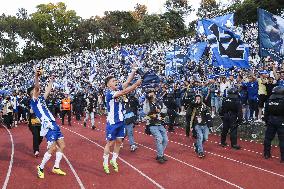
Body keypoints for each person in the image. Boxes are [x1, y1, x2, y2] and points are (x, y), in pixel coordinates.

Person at [27, 69, 66, 179]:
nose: (37, 91)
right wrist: (36, 77)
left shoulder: (41, 99)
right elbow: (38, 88)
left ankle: (56, 167)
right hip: (47, 126)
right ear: (32, 93)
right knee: (53, 148)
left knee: (62, 145)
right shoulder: (33, 101)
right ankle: (41, 167)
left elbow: (47, 90)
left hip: (53, 124)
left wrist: (51, 81)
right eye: (35, 91)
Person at [103, 68, 142, 174]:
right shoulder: (109, 94)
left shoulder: (117, 90)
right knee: (110, 143)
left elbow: (127, 82)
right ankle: (105, 162)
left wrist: (133, 71)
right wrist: (136, 85)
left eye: (116, 80)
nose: (116, 81)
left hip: (121, 121)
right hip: (112, 122)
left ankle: (113, 160)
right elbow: (125, 91)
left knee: (119, 142)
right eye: (113, 81)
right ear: (108, 85)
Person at [143, 90, 168, 163]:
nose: (152, 96)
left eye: (153, 94)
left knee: (165, 140)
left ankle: (160, 154)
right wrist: (147, 100)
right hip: (152, 124)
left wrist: (160, 111)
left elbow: (165, 110)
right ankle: (160, 156)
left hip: (160, 124)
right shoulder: (147, 103)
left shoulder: (159, 102)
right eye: (150, 94)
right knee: (159, 138)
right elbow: (145, 112)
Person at [263, 86, 284, 163]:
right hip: (281, 121)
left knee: (268, 138)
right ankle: (283, 158)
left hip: (271, 120)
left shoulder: (269, 100)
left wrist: (266, 121)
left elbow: (266, 112)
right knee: (282, 140)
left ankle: (266, 154)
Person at [189, 94, 212, 158]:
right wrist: (191, 126)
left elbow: (209, 115)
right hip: (197, 125)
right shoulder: (194, 107)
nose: (197, 100)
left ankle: (196, 144)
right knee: (200, 137)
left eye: (198, 99)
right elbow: (192, 117)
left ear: (201, 99)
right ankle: (200, 152)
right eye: (196, 99)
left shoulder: (205, 107)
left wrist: (210, 125)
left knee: (205, 138)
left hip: (205, 125)